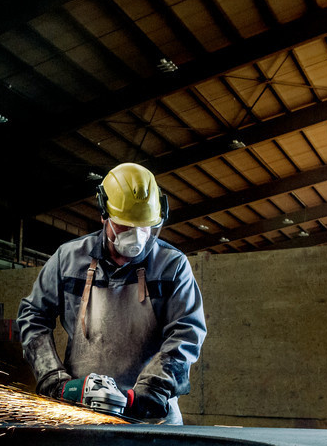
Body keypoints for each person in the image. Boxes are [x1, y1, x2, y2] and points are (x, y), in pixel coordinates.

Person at [17, 163, 206, 424]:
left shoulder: (172, 266)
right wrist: (53, 379)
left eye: (145, 227)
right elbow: (33, 316)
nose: (138, 237)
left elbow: (187, 333)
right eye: (126, 226)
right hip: (82, 410)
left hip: (151, 415)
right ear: (104, 214)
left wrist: (150, 391)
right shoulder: (68, 260)